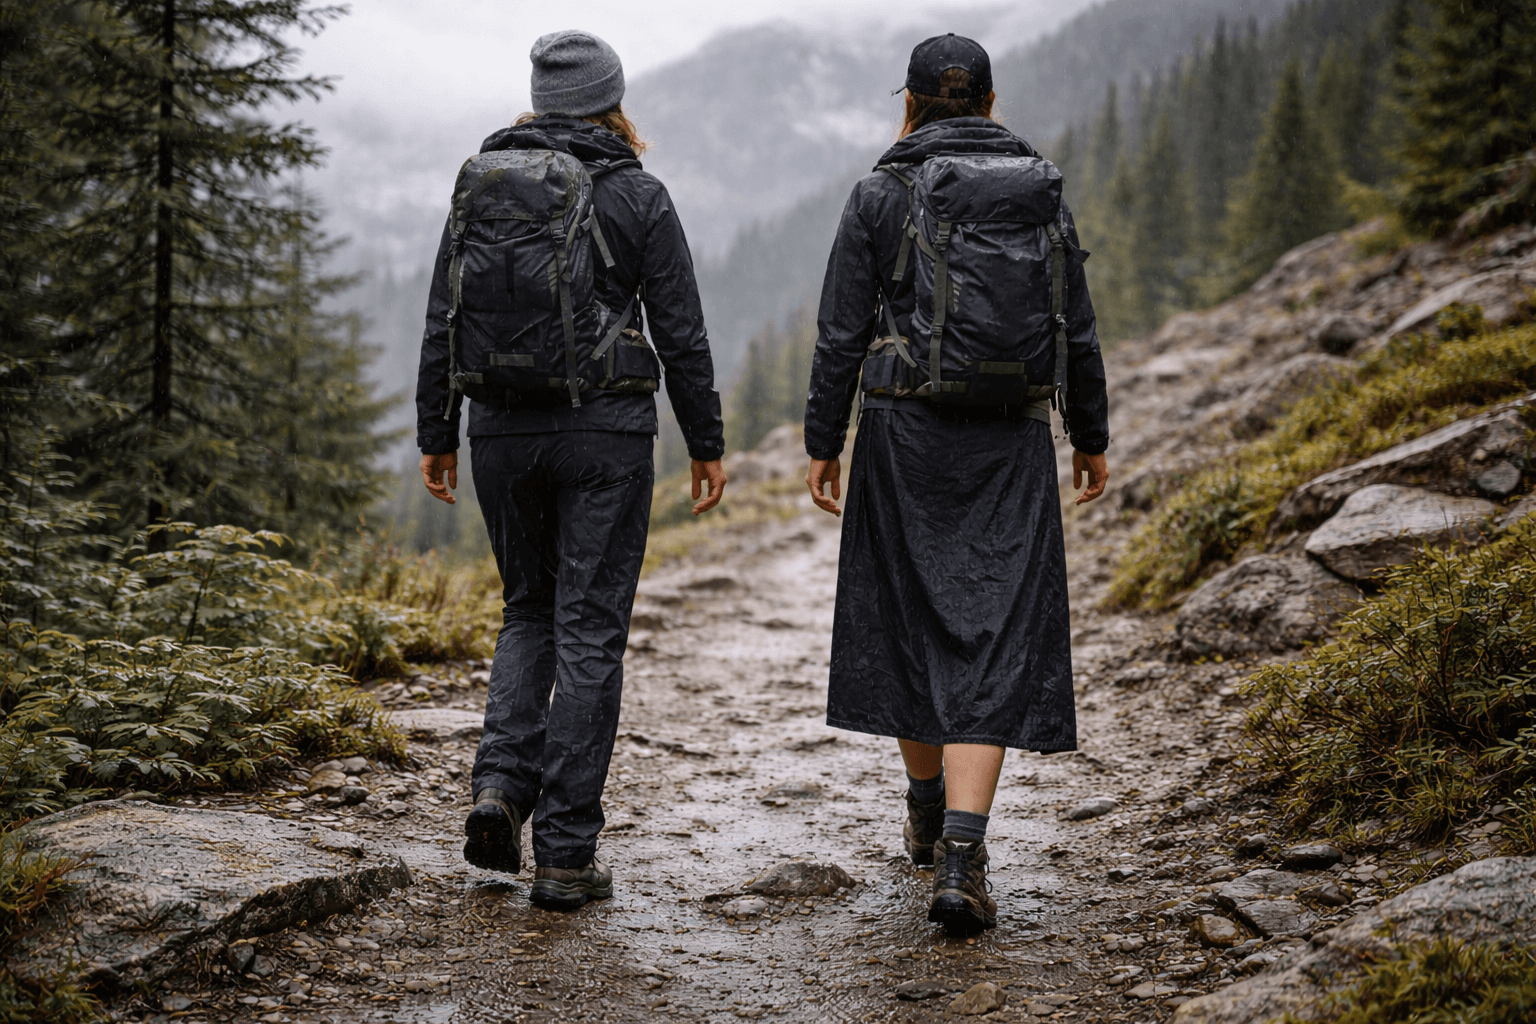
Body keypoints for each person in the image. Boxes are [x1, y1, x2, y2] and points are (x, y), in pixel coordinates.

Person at [802, 33, 1110, 935]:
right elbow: (1075, 325)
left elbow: (838, 331)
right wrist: (1089, 435)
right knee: (996, 631)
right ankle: (965, 861)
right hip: (1010, 440)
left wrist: (826, 440)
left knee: (907, 620)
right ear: (988, 102)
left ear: (909, 103)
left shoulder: (878, 192)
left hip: (901, 433)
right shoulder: (1039, 191)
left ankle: (928, 808)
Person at [414, 29, 728, 911]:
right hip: (608, 435)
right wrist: (706, 442)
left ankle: (498, 789)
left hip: (500, 433)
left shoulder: (482, 185)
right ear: (611, 100)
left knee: (527, 610)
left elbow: (445, 312)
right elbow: (682, 331)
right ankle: (563, 854)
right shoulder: (638, 193)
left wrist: (435, 427)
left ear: (540, 101)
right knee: (589, 631)